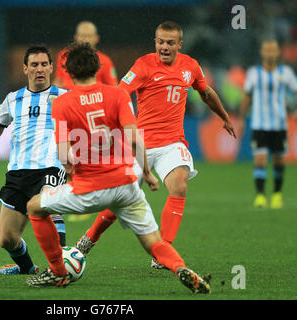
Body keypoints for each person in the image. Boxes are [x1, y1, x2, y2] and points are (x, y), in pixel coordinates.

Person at [25, 43, 211, 294]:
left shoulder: (62, 103)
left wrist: (71, 170)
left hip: (88, 189)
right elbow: (135, 138)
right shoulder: (118, 95)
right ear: (98, 67)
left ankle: (58, 272)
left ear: (67, 71)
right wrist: (146, 172)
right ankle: (179, 268)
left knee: (35, 207)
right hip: (125, 184)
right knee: (153, 242)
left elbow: (63, 154)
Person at [75, 21, 236, 270]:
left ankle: (163, 251)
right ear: (155, 42)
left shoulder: (191, 66)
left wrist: (224, 116)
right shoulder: (143, 65)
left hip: (173, 143)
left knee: (179, 184)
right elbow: (120, 93)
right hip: (141, 146)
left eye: (170, 43)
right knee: (118, 200)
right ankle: (89, 239)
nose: (164, 47)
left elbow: (205, 93)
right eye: (160, 42)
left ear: (179, 45)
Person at [0, 45, 68, 275]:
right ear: (25, 68)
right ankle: (29, 269)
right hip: (18, 172)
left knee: (49, 205)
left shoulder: (65, 97)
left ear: (51, 67)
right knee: (7, 239)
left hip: (51, 165)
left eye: (44, 64)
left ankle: (62, 268)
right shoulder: (13, 99)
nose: (40, 69)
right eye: (34, 65)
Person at [238, 39, 297, 209]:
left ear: (278, 52)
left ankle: (277, 195)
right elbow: (247, 96)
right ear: (262, 52)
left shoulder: (285, 72)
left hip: (279, 125)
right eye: (267, 50)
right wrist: (241, 119)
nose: (270, 53)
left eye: (273, 50)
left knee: (278, 161)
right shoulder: (254, 73)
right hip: (259, 124)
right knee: (260, 159)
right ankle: (261, 196)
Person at [53, 21, 117, 90]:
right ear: (76, 37)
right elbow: (58, 80)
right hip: (68, 97)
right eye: (82, 36)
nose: (86, 40)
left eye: (89, 36)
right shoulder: (64, 56)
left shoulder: (105, 60)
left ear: (97, 38)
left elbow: (113, 86)